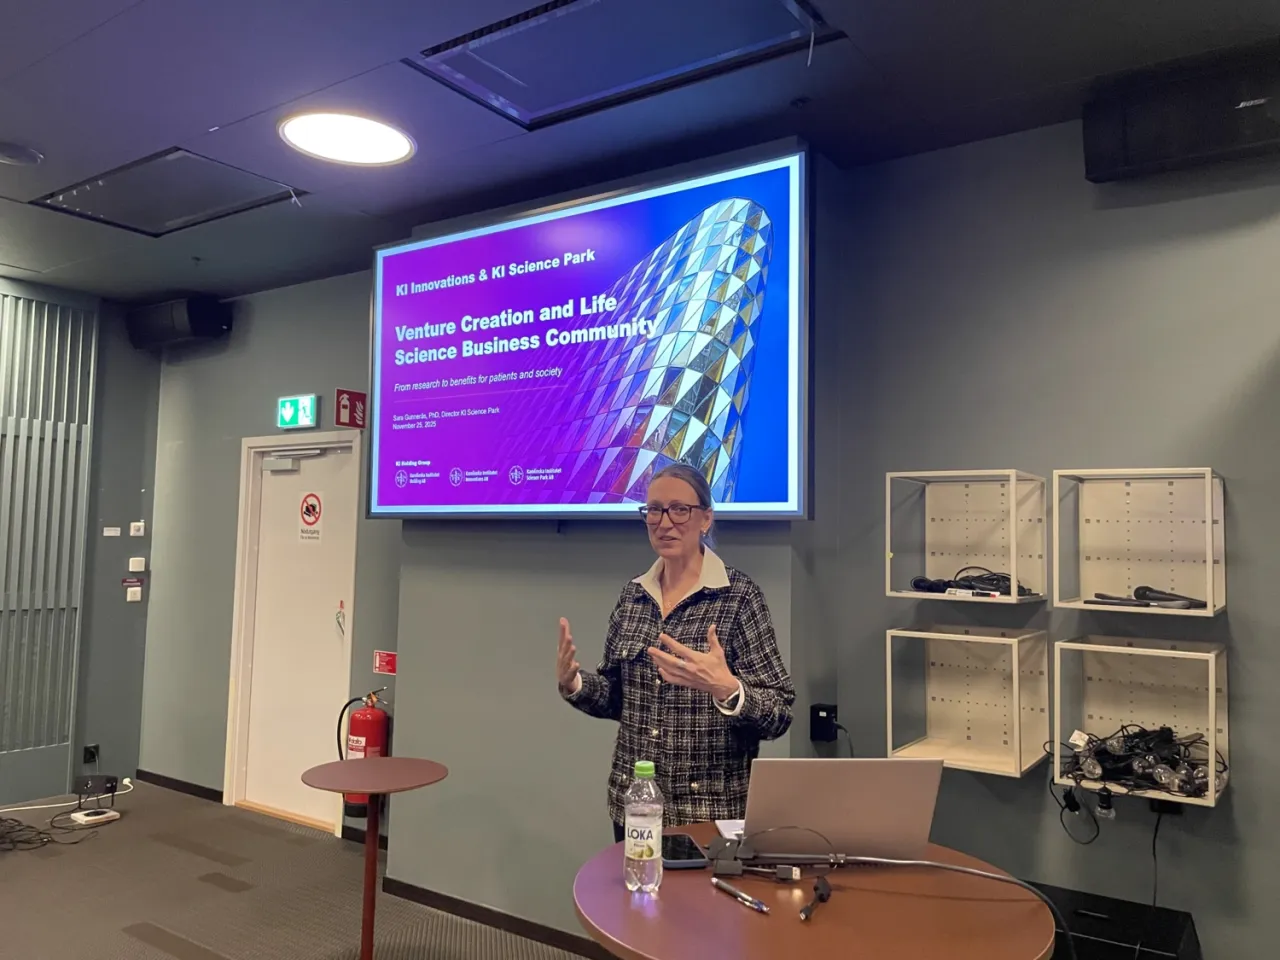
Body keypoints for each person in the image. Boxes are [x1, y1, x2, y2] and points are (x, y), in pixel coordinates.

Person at [557, 462, 794, 840]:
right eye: (654, 510)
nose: (664, 522)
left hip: (710, 814)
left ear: (706, 519)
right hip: (637, 807)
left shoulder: (739, 597)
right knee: (635, 884)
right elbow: (617, 699)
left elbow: (779, 713)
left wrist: (727, 689)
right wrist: (576, 684)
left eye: (679, 510)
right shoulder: (633, 596)